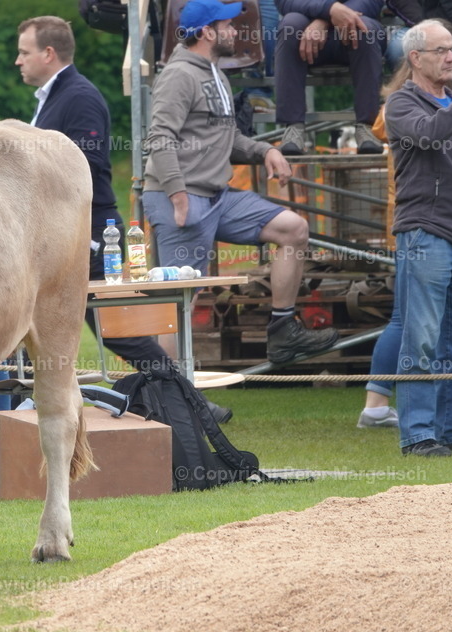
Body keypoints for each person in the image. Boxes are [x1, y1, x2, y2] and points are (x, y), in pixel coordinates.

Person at [16, 14, 232, 422]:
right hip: (68, 233)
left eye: (24, 52)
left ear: (48, 53)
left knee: (122, 332)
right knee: (96, 332)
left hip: (88, 232)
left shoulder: (78, 96)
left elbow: (91, 166)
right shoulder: (56, 95)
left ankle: (193, 407)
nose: (17, 61)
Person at [143, 0, 339, 365]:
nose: (236, 31)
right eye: (228, 25)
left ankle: (283, 330)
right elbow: (159, 138)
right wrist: (178, 194)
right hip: (181, 199)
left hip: (219, 196)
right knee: (179, 303)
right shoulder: (179, 74)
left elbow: (226, 137)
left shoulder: (215, 72)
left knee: (293, 229)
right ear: (206, 32)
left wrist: (264, 151)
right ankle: (167, 394)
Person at [357, 23, 452, 429]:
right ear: (416, 58)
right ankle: (417, 434)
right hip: (426, 234)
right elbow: (432, 135)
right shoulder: (402, 104)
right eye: (442, 50)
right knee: (420, 340)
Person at [274, 0, 386, 155]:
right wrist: (329, 9)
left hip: (354, 24)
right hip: (306, 32)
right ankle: (293, 128)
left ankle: (367, 127)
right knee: (290, 25)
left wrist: (326, 20)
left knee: (364, 28)